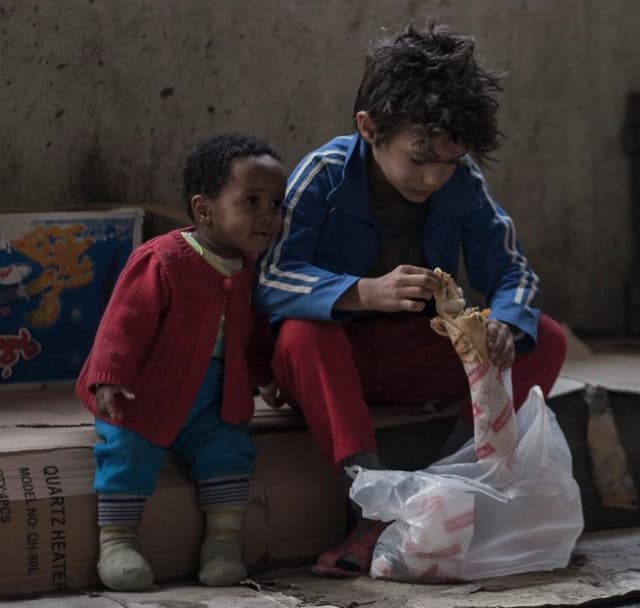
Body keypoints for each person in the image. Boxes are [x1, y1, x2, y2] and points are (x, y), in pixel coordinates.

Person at [255, 22, 568, 578]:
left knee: (543, 337)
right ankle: (371, 508)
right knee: (303, 334)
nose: (432, 177)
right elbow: (273, 278)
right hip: (337, 358)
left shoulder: (463, 181)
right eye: (418, 158)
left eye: (447, 161)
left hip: (416, 355)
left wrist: (503, 322)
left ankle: (444, 483)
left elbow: (512, 271)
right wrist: (360, 292)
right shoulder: (323, 174)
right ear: (368, 128)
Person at [75, 132, 287, 590]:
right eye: (252, 201)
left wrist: (265, 376)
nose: (268, 216)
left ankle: (222, 543)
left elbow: (250, 336)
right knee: (128, 448)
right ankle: (118, 541)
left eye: (276, 204)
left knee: (229, 449)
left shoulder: (250, 271)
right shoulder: (163, 261)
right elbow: (121, 325)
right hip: (145, 389)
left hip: (214, 396)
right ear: (204, 209)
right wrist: (110, 379)